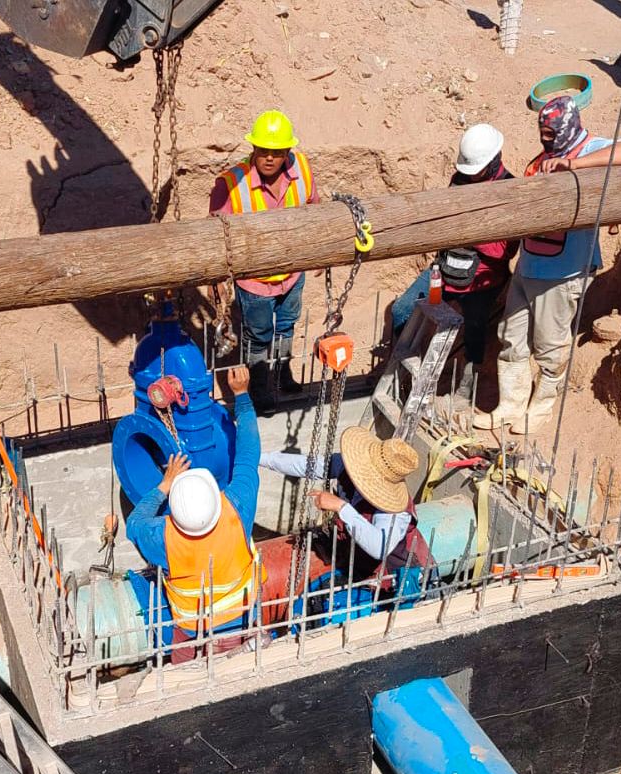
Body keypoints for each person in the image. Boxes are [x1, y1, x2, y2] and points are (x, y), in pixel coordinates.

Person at [473, 96, 621, 434]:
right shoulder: (543, 159)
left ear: (569, 126)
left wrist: (575, 165)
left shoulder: (589, 148)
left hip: (561, 272)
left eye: (551, 133)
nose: (546, 139)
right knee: (512, 338)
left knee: (550, 343)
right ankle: (510, 406)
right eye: (543, 132)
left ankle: (542, 408)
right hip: (529, 266)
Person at [126, 366, 262, 657]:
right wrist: (242, 397)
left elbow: (134, 523)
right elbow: (249, 454)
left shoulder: (164, 536)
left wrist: (163, 485)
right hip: (245, 616)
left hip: (191, 630)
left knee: (182, 672)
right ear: (215, 495)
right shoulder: (236, 508)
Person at [388, 124, 519, 398]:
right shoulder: (459, 180)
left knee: (474, 323)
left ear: (494, 160)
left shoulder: (509, 189)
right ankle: (397, 372)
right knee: (401, 310)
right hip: (446, 267)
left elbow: (503, 251)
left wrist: (465, 231)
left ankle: (468, 380)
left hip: (483, 278)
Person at [209, 110, 320, 416]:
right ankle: (259, 387)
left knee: (286, 325)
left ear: (287, 151)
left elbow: (315, 210)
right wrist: (217, 280)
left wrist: (320, 252)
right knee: (258, 336)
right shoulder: (230, 184)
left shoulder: (303, 170)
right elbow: (215, 238)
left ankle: (282, 373)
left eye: (278, 152)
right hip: (255, 281)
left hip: (292, 273)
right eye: (264, 152)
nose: (270, 158)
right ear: (253, 149)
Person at [260, 427, 433, 585]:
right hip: (357, 558)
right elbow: (309, 465)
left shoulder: (394, 512)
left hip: (397, 576)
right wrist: (262, 459)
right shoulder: (348, 466)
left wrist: (341, 507)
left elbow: (379, 547)